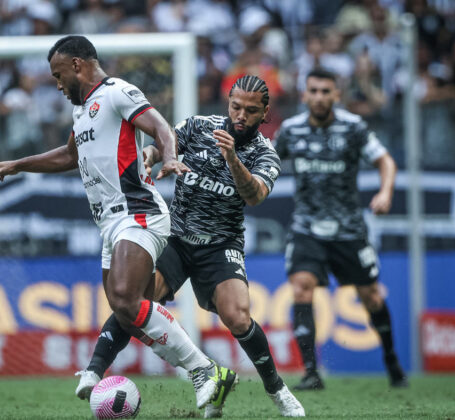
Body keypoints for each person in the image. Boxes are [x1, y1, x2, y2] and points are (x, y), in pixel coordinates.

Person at [0, 35, 232, 410]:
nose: (59, 85)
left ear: (78, 65)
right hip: (109, 224)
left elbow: (161, 127)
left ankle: (203, 370)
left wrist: (170, 157)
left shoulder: (117, 92)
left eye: (59, 75)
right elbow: (68, 155)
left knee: (128, 301)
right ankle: (203, 384)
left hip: (139, 212)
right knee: (129, 311)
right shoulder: (82, 111)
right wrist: (18, 165)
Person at [75, 75, 305, 418]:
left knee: (238, 317)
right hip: (176, 237)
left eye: (251, 110)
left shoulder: (265, 153)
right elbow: (162, 144)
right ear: (228, 102)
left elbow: (255, 195)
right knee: (135, 299)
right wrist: (152, 157)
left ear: (265, 113)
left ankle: (279, 391)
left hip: (221, 244)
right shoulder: (199, 126)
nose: (241, 115)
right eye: (236, 106)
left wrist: (232, 159)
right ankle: (94, 370)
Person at [274, 68, 408, 391]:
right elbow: (267, 164)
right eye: (314, 91)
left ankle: (391, 361)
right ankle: (311, 372)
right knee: (301, 286)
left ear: (337, 94)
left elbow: (385, 161)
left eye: (326, 91)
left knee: (371, 296)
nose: (319, 97)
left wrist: (385, 192)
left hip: (349, 229)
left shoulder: (353, 127)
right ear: (304, 95)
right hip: (306, 226)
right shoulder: (290, 131)